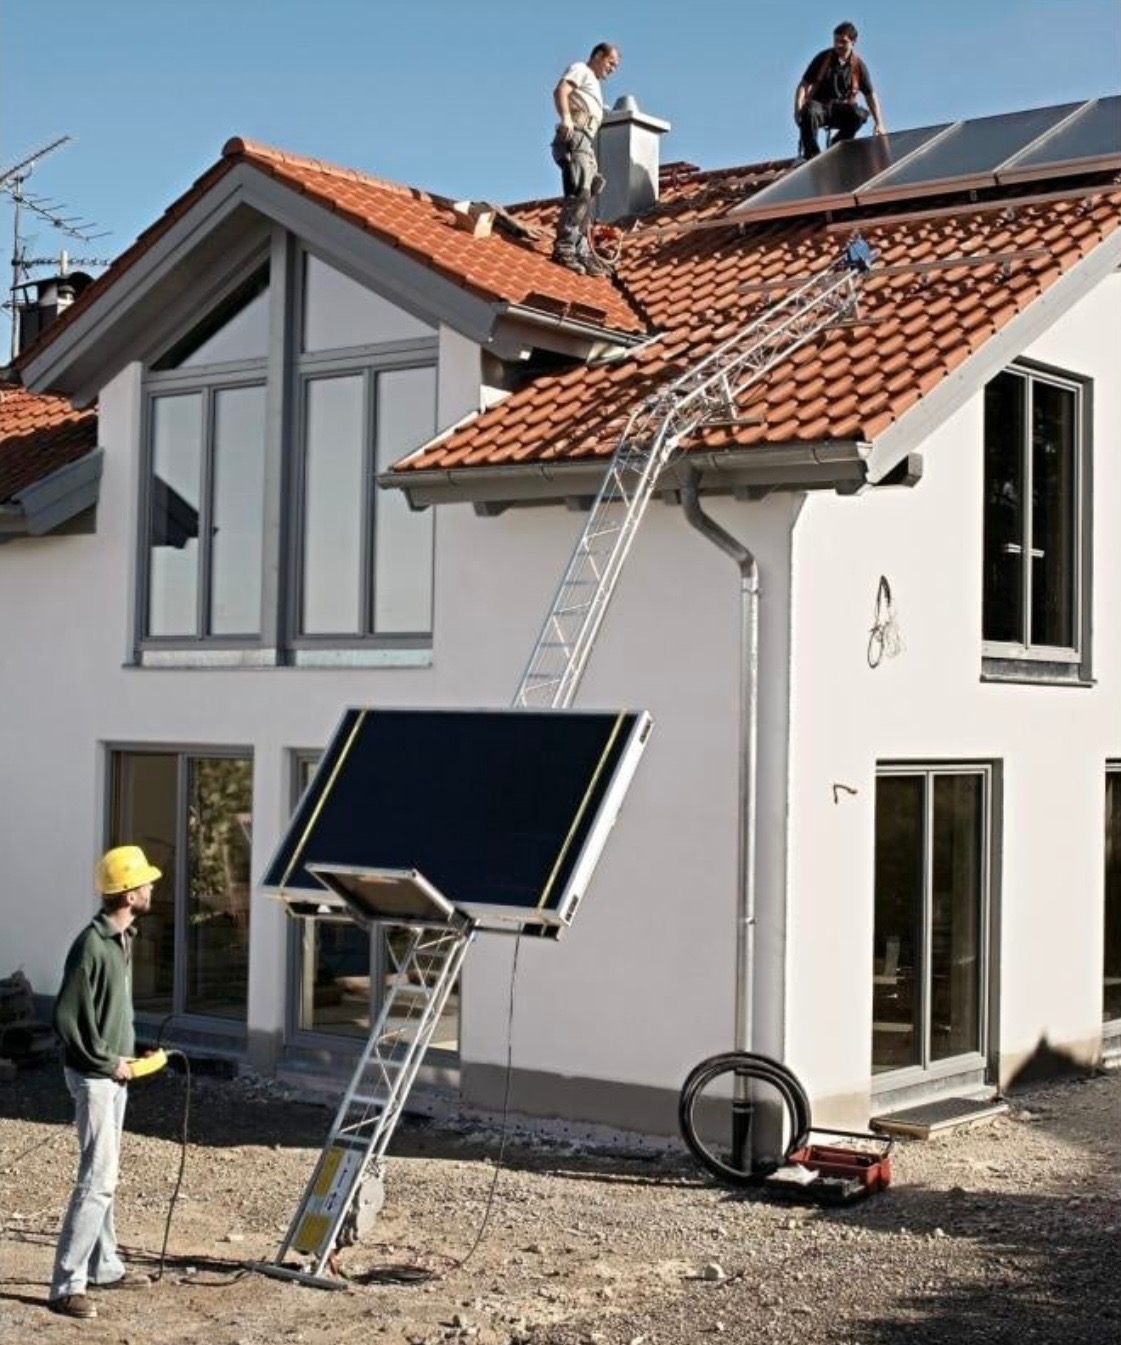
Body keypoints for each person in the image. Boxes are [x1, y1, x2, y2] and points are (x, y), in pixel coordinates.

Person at [48, 845, 162, 1319]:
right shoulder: (92, 946)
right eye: (146, 882)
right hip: (94, 1078)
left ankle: (105, 1265)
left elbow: (105, 1012)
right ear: (129, 894)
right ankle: (66, 1285)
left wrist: (131, 1053)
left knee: (107, 1176)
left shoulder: (121, 939)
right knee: (96, 1180)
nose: (152, 886)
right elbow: (66, 1018)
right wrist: (106, 1061)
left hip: (112, 1071)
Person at [551, 42, 621, 276]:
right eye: (611, 63)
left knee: (589, 194)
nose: (612, 69)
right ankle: (564, 248)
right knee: (580, 191)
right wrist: (566, 118)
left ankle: (580, 250)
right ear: (598, 55)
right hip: (577, 135)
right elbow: (561, 90)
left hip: (585, 141)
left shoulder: (594, 85)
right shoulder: (581, 69)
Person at [794, 21, 886, 160]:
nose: (838, 45)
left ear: (853, 42)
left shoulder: (858, 66)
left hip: (840, 109)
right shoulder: (823, 58)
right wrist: (797, 109)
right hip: (820, 107)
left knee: (859, 115)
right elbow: (804, 84)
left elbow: (870, 95)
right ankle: (812, 156)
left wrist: (879, 123)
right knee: (810, 110)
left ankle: (837, 147)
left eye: (843, 42)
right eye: (836, 41)